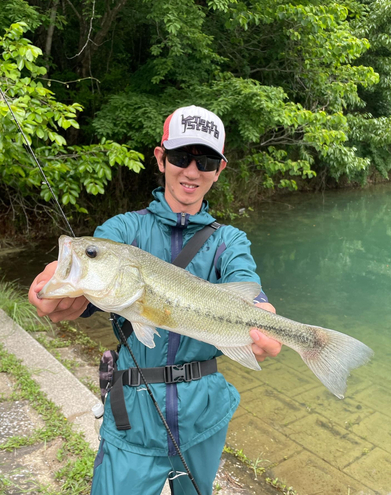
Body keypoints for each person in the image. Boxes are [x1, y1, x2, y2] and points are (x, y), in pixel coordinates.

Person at [28, 105, 282, 495]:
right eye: (181, 157)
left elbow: (247, 286)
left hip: (203, 416)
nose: (192, 171)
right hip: (132, 412)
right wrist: (62, 290)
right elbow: (88, 297)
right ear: (161, 158)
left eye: (206, 161)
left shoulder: (230, 241)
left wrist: (264, 317)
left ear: (220, 169)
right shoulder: (122, 231)